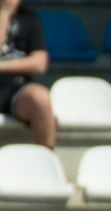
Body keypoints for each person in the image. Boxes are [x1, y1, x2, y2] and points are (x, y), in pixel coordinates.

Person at [0, 0, 54, 148]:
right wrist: (4, 12)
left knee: (40, 97)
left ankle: (48, 159)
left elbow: (40, 64)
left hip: (16, 90)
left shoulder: (28, 17)